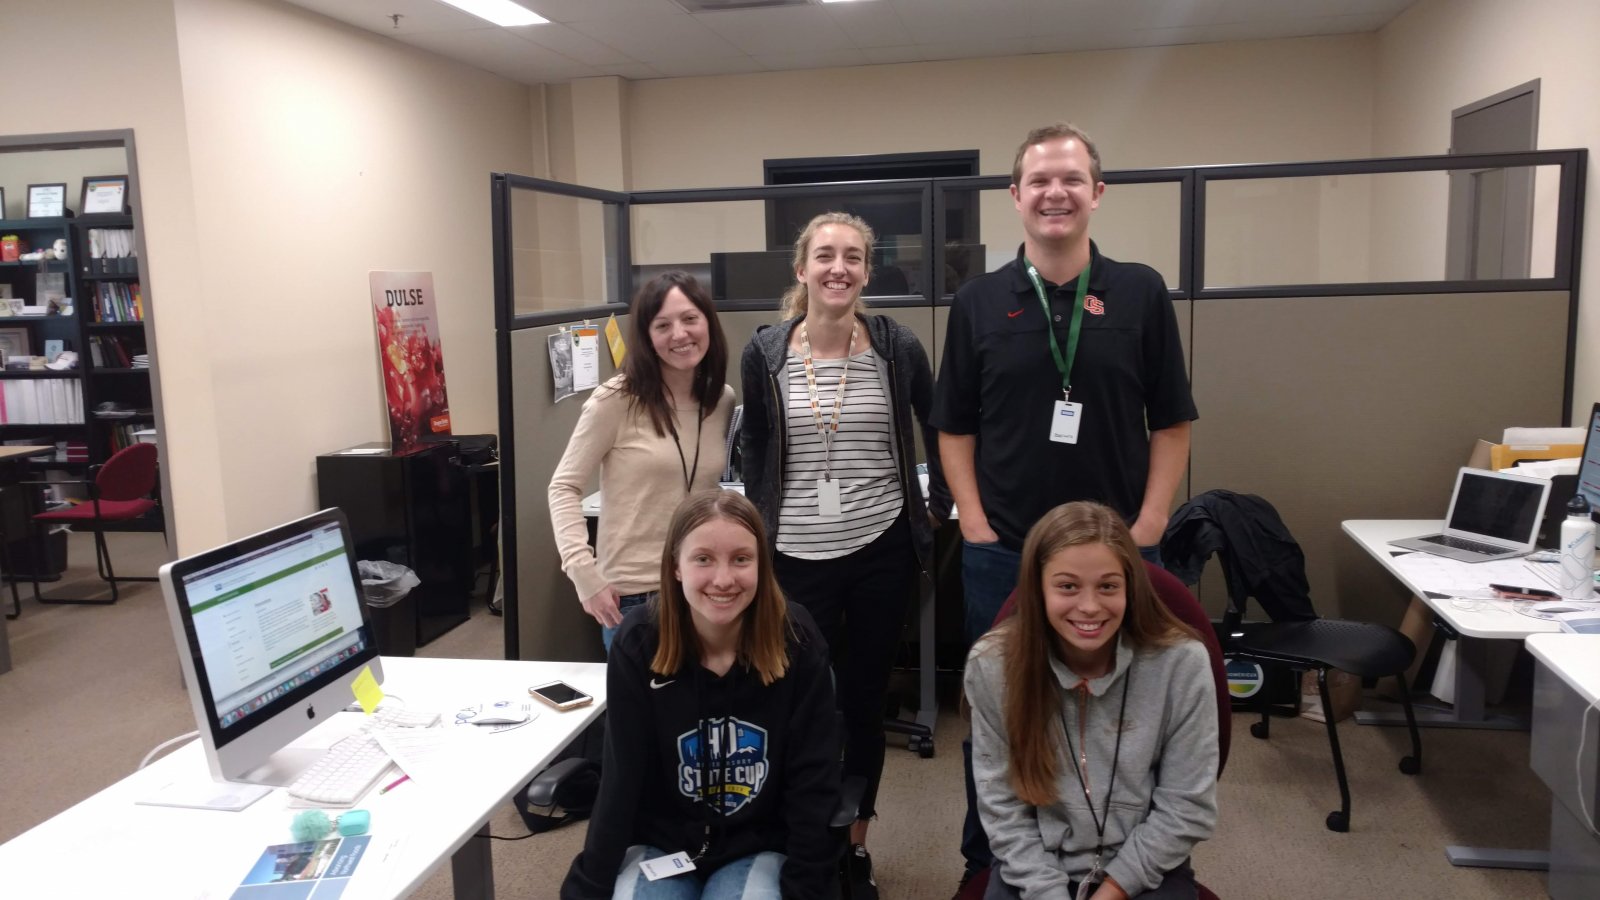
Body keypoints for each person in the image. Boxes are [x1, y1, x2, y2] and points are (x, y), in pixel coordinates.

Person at [741, 211, 946, 899]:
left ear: (867, 270)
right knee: (796, 701)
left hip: (881, 548)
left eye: (853, 257)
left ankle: (854, 845)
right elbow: (757, 451)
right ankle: (801, 841)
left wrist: (940, 504)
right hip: (795, 554)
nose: (839, 268)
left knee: (861, 701)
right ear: (802, 270)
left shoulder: (896, 345)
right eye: (825, 255)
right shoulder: (766, 351)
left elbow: (938, 424)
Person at [930, 122, 1198, 647]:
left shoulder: (1140, 291)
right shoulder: (976, 302)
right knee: (1003, 697)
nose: (1055, 194)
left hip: (1118, 545)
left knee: (1121, 696)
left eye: (1072, 180)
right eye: (1039, 181)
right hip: (1004, 547)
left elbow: (1171, 420)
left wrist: (1150, 522)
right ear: (1016, 195)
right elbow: (954, 427)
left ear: (1097, 193)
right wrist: (975, 527)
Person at [560, 490, 841, 900]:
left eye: (741, 559)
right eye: (703, 559)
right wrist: (590, 885)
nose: (723, 579)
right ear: (676, 567)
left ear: (762, 565)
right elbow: (621, 775)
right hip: (662, 844)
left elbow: (814, 780)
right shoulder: (640, 643)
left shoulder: (794, 639)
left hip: (759, 842)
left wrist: (807, 887)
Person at [964, 502, 1218, 900]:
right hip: (1035, 864)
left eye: (1108, 586)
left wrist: (1112, 891)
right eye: (1067, 586)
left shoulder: (1181, 662)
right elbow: (1002, 808)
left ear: (1129, 587)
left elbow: (1187, 806)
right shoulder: (994, 664)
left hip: (1143, 862)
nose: (1089, 606)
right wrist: (1047, 893)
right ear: (1038, 589)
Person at [549, 271, 736, 652]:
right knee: (643, 711)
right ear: (647, 338)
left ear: (708, 324)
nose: (680, 334)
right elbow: (563, 486)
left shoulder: (721, 399)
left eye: (689, 319)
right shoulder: (616, 400)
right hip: (636, 594)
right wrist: (584, 573)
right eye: (662, 325)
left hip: (701, 587)